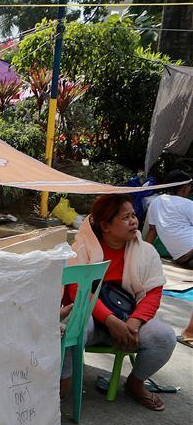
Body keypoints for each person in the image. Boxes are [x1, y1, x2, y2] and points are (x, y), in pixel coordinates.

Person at [62, 195, 176, 411]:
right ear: (105, 225)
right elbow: (78, 290)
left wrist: (132, 324)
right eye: (126, 217)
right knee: (73, 326)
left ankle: (135, 383)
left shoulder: (147, 252)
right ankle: (62, 383)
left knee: (164, 336)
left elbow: (153, 293)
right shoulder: (82, 248)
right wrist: (110, 320)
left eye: (134, 215)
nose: (134, 221)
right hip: (94, 320)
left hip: (128, 320)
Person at [144, 169, 193, 268]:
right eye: (190, 186)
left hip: (182, 258)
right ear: (185, 187)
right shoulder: (187, 204)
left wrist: (143, 254)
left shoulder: (155, 202)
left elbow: (152, 230)